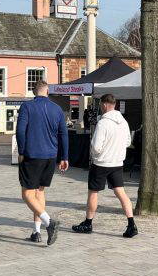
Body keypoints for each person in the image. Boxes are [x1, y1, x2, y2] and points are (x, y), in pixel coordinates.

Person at [72, 94, 138, 238]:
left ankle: (88, 223)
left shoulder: (103, 123)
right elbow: (128, 142)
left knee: (93, 192)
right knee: (121, 192)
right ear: (114, 105)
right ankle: (131, 224)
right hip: (117, 162)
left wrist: (97, 154)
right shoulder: (123, 122)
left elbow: (95, 146)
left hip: (101, 163)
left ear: (104, 105)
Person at [14, 80, 68, 245]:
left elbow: (20, 131)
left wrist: (21, 152)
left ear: (33, 91)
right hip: (50, 156)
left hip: (33, 154)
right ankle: (36, 232)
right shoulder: (57, 109)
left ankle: (48, 222)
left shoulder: (27, 107)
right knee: (40, 192)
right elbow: (63, 134)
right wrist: (64, 157)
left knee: (27, 194)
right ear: (48, 91)